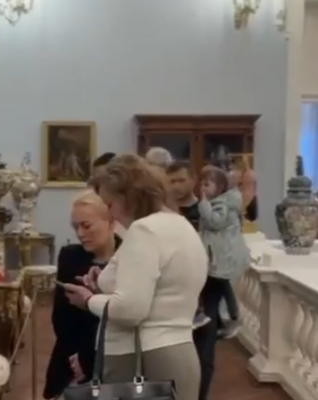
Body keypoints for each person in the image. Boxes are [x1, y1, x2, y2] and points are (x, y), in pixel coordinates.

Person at [63, 154, 207, 400]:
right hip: (178, 349)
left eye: (110, 205)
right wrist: (106, 281)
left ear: (127, 196)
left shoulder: (145, 230)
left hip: (145, 357)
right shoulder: (180, 225)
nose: (111, 214)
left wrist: (88, 300)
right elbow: (162, 287)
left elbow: (129, 309)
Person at [43, 190, 122, 400]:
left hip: (112, 359)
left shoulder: (129, 256)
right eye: (75, 226)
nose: (80, 233)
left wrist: (89, 358)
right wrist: (77, 358)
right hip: (70, 359)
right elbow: (61, 318)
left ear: (111, 222)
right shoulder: (70, 257)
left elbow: (121, 317)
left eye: (86, 226)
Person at [196, 167, 251, 399]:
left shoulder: (221, 205)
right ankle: (225, 318)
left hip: (220, 257)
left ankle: (232, 316)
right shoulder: (224, 202)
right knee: (220, 289)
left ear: (219, 187)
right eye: (202, 183)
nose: (203, 188)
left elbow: (214, 222)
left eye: (207, 184)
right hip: (216, 256)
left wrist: (203, 203)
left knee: (222, 286)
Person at [166, 161, 210, 329]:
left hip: (203, 278)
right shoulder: (163, 212)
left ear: (193, 180)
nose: (176, 186)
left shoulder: (204, 211)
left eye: (181, 180)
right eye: (172, 181)